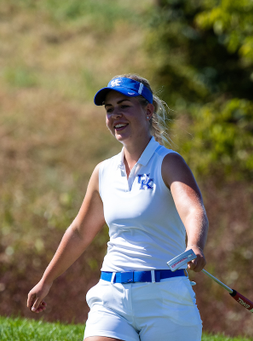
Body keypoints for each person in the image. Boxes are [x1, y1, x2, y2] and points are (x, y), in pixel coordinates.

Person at [27, 74, 209, 341]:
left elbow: (193, 209)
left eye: (124, 106)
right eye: (109, 109)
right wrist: (47, 280)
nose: (115, 115)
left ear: (148, 111)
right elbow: (79, 232)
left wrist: (195, 244)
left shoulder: (168, 163)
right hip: (112, 297)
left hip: (166, 300)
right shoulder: (103, 172)